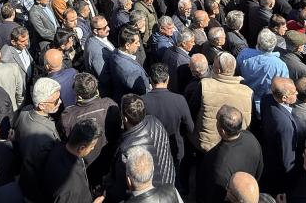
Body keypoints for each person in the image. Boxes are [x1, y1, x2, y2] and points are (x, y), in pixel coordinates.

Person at [104, 94, 175, 202]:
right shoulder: (155, 121)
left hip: (147, 197)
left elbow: (120, 189)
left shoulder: (125, 151)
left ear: (125, 118)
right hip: (168, 187)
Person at [142, 63, 194, 191]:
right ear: (168, 79)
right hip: (175, 149)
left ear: (150, 80)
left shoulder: (142, 101)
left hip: (151, 150)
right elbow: (190, 127)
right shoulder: (180, 100)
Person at [13, 78, 62, 202]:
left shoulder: (26, 109)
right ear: (42, 105)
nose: (60, 102)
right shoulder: (44, 137)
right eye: (56, 101)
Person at [194, 52, 253, 152]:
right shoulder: (248, 92)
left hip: (207, 144)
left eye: (213, 65)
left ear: (218, 70)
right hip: (235, 146)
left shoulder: (205, 85)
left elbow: (192, 111)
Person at [259, 77, 299, 196]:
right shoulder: (285, 125)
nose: (297, 93)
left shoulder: (266, 98)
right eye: (293, 92)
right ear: (284, 98)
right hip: (276, 173)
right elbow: (287, 159)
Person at [237, 28, 290, 115]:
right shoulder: (281, 65)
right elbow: (283, 89)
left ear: (258, 43)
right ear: (274, 46)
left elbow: (237, 72)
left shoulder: (244, 54)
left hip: (244, 99)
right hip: (265, 107)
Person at [108, 25, 150, 102]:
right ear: (127, 45)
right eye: (136, 43)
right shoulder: (131, 71)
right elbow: (143, 91)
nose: (139, 45)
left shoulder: (115, 53)